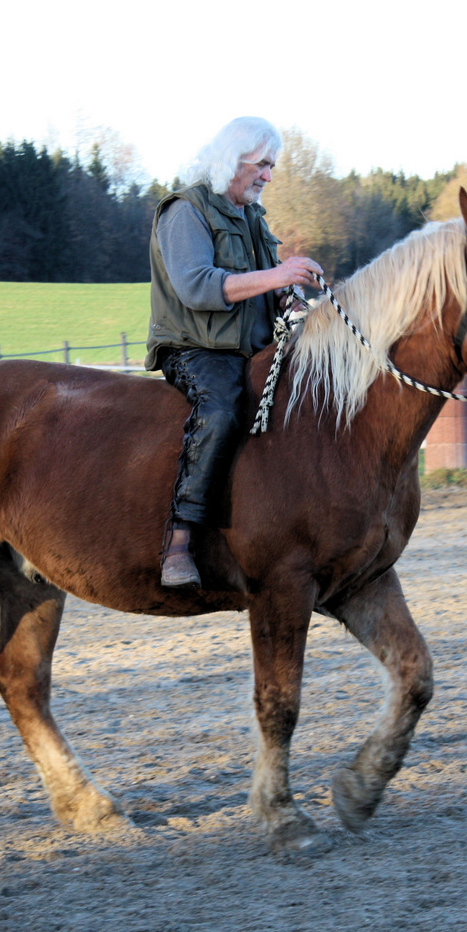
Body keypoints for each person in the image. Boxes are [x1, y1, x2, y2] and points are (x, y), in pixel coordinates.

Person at [146, 117, 323, 589]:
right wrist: (279, 275)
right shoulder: (185, 211)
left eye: (272, 166)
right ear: (234, 159)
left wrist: (288, 296)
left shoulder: (252, 218)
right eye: (262, 164)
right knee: (222, 410)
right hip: (195, 348)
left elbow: (264, 289)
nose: (268, 175)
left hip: (252, 348)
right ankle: (179, 540)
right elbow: (197, 287)